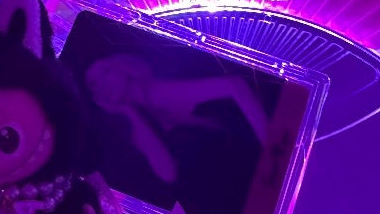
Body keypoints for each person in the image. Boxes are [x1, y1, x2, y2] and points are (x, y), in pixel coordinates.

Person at [84, 54, 269, 183]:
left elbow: (234, 85)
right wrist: (129, 111)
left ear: (123, 67)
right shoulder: (136, 124)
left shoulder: (156, 92)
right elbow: (168, 174)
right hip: (244, 174)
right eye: (93, 83)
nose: (102, 84)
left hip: (264, 143)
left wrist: (271, 148)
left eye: (106, 71)